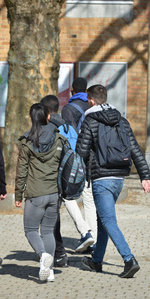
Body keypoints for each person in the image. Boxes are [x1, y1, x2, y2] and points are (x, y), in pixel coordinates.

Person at [76, 84, 150, 278]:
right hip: (118, 179)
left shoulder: (89, 121)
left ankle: (129, 260)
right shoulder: (122, 120)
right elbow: (134, 148)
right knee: (103, 222)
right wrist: (145, 176)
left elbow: (81, 153)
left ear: (91, 101)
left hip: (101, 179)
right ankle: (96, 261)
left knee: (108, 221)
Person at [40, 95, 96, 268]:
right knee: (79, 201)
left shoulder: (48, 128)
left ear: (46, 111)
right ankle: (88, 236)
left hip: (55, 176)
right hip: (72, 173)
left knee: (51, 217)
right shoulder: (69, 127)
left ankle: (57, 253)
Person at [15, 103, 65, 282]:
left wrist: (18, 194)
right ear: (48, 117)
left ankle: (43, 255)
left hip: (36, 194)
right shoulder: (59, 139)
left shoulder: (27, 142)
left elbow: (22, 171)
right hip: (54, 194)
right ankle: (49, 271)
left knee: (30, 230)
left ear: (31, 118)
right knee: (48, 231)